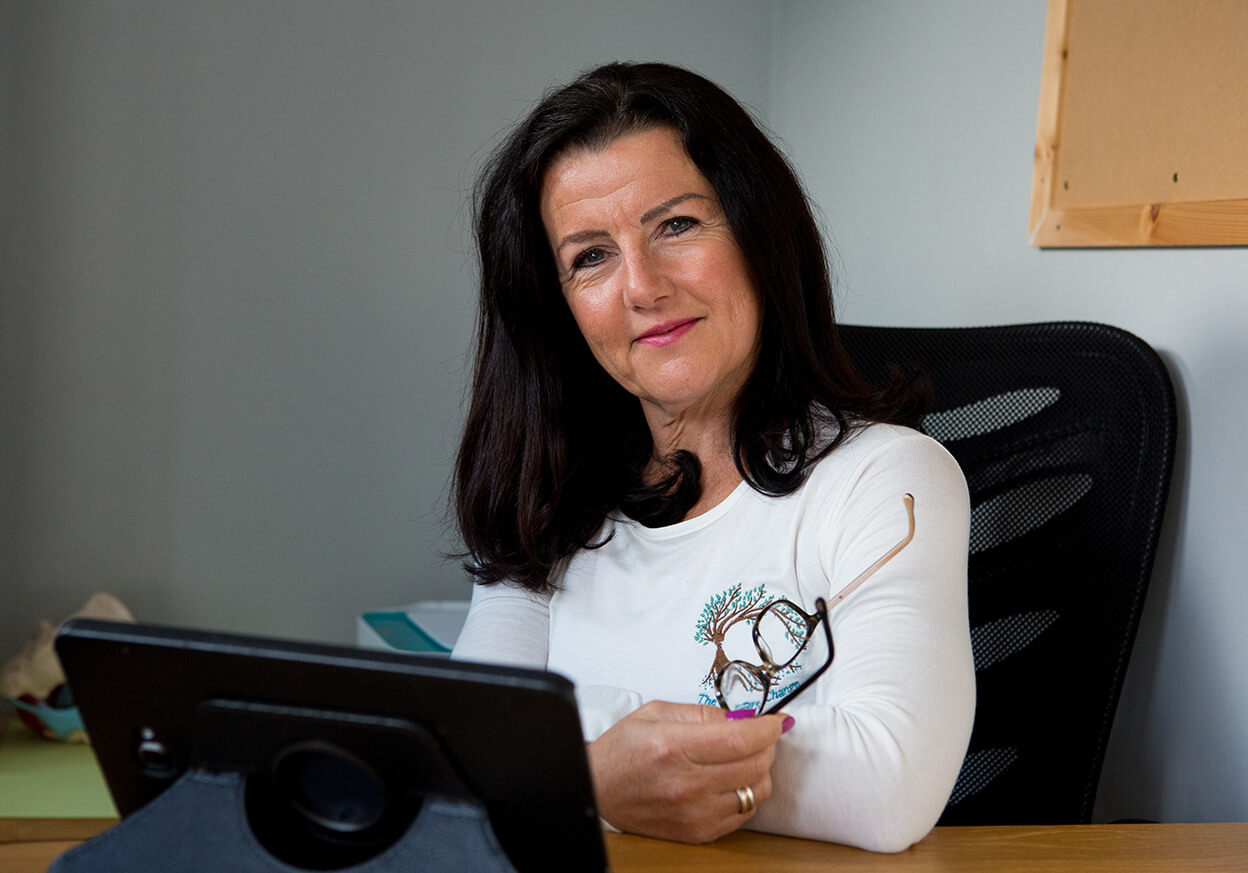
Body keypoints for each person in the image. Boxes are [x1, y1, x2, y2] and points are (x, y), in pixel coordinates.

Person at [450, 61, 974, 852]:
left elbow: (886, 782)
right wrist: (595, 772)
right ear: (561, 311)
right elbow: (460, 742)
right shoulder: (548, 506)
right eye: (591, 256)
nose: (641, 286)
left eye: (676, 226)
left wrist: (563, 762)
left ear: (761, 237)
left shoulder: (888, 478)